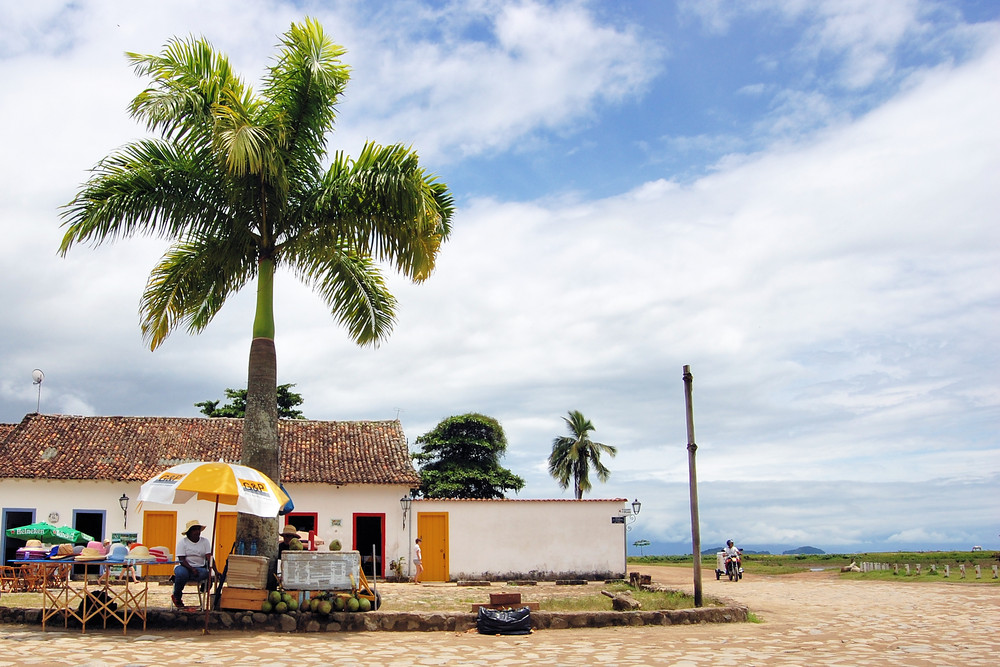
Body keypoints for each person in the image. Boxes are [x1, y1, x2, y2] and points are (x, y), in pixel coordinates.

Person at [172, 520, 214, 608]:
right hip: (183, 566)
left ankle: (180, 579)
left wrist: (215, 571)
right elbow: (181, 559)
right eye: (194, 530)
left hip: (199, 568)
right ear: (189, 532)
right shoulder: (182, 542)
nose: (197, 532)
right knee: (182, 573)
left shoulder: (205, 542)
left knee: (206, 573)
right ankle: (177, 597)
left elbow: (209, 557)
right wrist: (192, 569)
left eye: (198, 529)